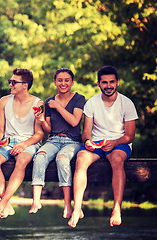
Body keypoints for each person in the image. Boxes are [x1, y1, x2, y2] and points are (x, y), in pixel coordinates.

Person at [68, 66, 138, 228]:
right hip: (97, 143)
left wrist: (115, 143)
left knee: (117, 159)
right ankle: (77, 208)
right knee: (81, 158)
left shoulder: (127, 103)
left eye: (112, 82)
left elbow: (130, 136)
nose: (108, 85)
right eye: (104, 82)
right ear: (98, 84)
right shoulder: (92, 103)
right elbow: (86, 132)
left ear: (117, 83)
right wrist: (87, 142)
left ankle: (117, 208)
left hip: (120, 143)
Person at [0, 68, 44, 219]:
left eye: (14, 82)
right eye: (10, 81)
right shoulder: (4, 101)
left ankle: (1, 204)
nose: (10, 84)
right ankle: (7, 205)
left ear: (25, 85)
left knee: (22, 160)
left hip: (29, 143)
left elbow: (39, 134)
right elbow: (0, 128)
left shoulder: (38, 103)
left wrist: (24, 145)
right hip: (7, 141)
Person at [29, 68, 85, 218]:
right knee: (39, 156)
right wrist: (41, 120)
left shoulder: (79, 99)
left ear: (72, 82)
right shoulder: (48, 102)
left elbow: (74, 122)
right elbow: (49, 129)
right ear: (55, 82)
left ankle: (67, 205)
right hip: (53, 139)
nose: (63, 83)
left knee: (62, 159)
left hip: (72, 141)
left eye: (67, 80)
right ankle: (36, 201)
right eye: (60, 80)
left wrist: (58, 106)